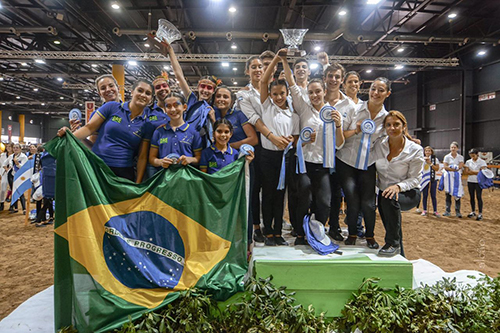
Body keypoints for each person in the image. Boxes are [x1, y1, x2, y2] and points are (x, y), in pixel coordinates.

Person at [282, 49, 345, 246]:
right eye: (311, 92)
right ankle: (300, 233)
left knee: (324, 202)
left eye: (318, 91)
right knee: (304, 197)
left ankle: (316, 230)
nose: (314, 95)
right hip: (303, 164)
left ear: (325, 92)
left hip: (324, 165)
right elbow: (292, 84)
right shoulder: (302, 107)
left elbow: (340, 143)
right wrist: (284, 60)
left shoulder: (333, 113)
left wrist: (338, 126)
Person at [58, 79, 153, 183]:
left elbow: (142, 157)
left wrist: (138, 184)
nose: (143, 95)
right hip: (97, 167)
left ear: (151, 99)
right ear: (132, 92)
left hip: (124, 172)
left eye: (148, 93)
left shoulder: (147, 123)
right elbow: (89, 128)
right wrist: (71, 135)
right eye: (140, 90)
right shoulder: (111, 107)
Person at [336, 77, 393, 249]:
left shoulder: (386, 118)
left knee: (369, 204)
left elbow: (384, 142)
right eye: (373, 89)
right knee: (352, 200)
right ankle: (352, 233)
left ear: (388, 93)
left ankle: (370, 236)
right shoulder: (354, 110)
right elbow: (341, 136)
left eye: (381, 90)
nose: (375, 93)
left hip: (368, 164)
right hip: (346, 161)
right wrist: (356, 130)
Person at [258, 52, 299, 246]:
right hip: (267, 157)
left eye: (282, 93)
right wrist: (277, 58)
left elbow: (296, 136)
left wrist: (292, 140)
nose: (278, 97)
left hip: (286, 158)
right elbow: (264, 80)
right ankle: (268, 232)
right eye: (275, 94)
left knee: (280, 196)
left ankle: (277, 232)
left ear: (287, 93)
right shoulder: (266, 106)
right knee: (268, 194)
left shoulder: (293, 114)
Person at [374, 111, 424, 257]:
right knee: (392, 227)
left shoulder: (415, 150)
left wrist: (398, 187)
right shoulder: (379, 145)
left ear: (404, 127)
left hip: (408, 193)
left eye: (396, 124)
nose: (392, 128)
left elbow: (415, 179)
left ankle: (393, 244)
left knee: (391, 200)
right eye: (388, 125)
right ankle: (399, 255)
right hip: (384, 194)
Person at [323, 63, 357, 242]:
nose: (333, 80)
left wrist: (340, 132)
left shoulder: (350, 106)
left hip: (339, 157)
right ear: (324, 78)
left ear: (341, 80)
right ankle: (315, 225)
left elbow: (352, 132)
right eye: (330, 76)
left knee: (336, 194)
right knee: (317, 194)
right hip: (316, 156)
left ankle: (334, 226)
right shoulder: (315, 99)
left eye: (337, 77)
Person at [149, 92, 202, 169]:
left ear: (184, 107)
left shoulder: (193, 132)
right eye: (168, 106)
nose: (173, 109)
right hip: (165, 178)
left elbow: (199, 158)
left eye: (176, 105)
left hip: (185, 177)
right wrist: (160, 162)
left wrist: (190, 159)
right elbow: (152, 158)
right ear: (165, 109)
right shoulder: (159, 132)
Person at [3, 143, 28, 214]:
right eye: (14, 148)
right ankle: (15, 208)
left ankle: (24, 209)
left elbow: (24, 168)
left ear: (20, 149)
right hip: (11, 175)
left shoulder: (23, 157)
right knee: (13, 191)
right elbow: (4, 164)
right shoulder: (11, 156)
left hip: (20, 176)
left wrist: (17, 163)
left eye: (17, 147)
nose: (15, 149)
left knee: (20, 191)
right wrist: (7, 169)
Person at [464, 148, 487, 221]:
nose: (472, 157)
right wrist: (477, 172)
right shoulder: (468, 162)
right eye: (471, 156)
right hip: (470, 181)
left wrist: (471, 172)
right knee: (471, 197)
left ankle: (480, 213)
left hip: (478, 181)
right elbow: (466, 172)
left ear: (477, 154)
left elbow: (483, 172)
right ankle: (473, 211)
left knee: (479, 197)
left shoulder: (482, 162)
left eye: (473, 155)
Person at [442, 141, 464, 218]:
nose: (453, 149)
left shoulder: (460, 157)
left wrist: (451, 168)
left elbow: (460, 166)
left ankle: (458, 211)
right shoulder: (446, 157)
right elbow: (445, 167)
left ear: (457, 148)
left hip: (457, 178)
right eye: (452, 147)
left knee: (457, 194)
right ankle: (447, 211)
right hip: (448, 178)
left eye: (454, 147)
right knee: (448, 194)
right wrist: (454, 169)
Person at [420, 146, 441, 216]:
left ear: (431, 152)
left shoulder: (435, 159)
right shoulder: (421, 159)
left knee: (433, 195)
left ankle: (435, 211)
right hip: (424, 179)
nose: (428, 152)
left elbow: (437, 169)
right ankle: (424, 210)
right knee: (425, 195)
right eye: (426, 151)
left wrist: (430, 163)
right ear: (424, 152)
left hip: (433, 179)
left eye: (429, 151)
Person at [0, 142, 14, 211]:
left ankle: (12, 205)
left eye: (10, 146)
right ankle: (1, 202)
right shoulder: (2, 155)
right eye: (7, 147)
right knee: (3, 188)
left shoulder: (16, 155)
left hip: (13, 173)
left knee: (13, 189)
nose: (8, 148)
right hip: (4, 173)